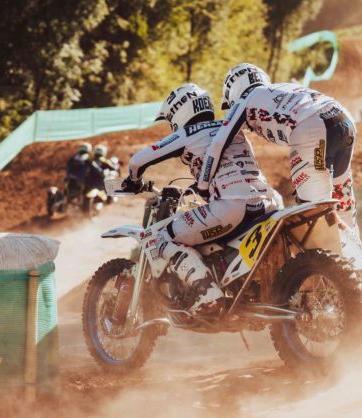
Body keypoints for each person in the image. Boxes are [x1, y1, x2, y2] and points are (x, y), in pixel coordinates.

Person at [119, 83, 279, 316]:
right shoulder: (231, 128)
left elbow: (137, 160)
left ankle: (207, 295)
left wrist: (133, 181)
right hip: (266, 203)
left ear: (179, 111)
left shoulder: (188, 133)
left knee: (162, 237)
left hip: (231, 207)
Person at [199, 62, 358, 234]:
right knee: (343, 204)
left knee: (314, 211)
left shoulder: (246, 98)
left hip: (312, 129)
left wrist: (203, 186)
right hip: (343, 121)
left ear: (233, 92)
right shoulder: (281, 88)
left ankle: (338, 248)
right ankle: (357, 249)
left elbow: (218, 143)